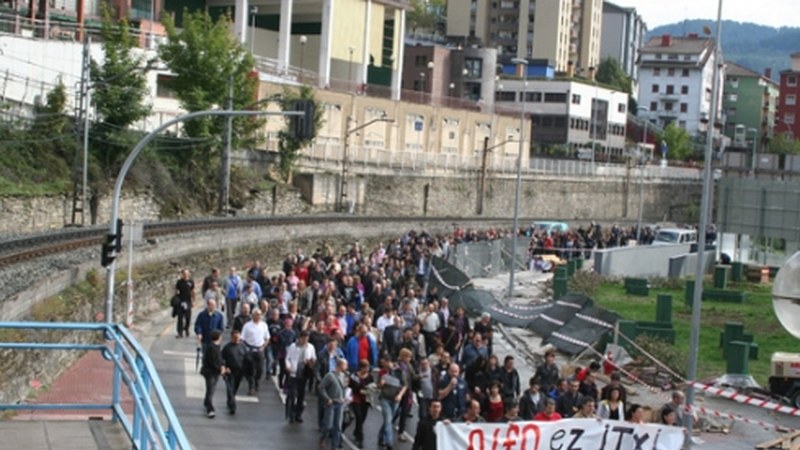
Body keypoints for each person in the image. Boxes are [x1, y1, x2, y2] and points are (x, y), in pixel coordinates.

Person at [285, 330, 317, 423]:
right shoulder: (293, 346)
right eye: (304, 339)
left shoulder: (310, 347)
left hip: (304, 373)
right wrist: (288, 366)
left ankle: (298, 414)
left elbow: (314, 358)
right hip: (294, 373)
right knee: (292, 395)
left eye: (307, 339)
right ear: (300, 338)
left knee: (301, 396)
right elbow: (288, 358)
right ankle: (291, 414)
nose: (305, 341)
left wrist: (310, 362)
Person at [377, 354, 408, 450]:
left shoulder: (399, 371)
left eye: (383, 363)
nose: (382, 365)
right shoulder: (382, 372)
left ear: (388, 361)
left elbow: (405, 385)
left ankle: (381, 436)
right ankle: (389, 443)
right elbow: (378, 386)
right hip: (385, 398)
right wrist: (381, 384)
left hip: (395, 399)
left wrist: (400, 395)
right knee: (388, 419)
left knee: (389, 420)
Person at [319, 358, 348, 450]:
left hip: (340, 403)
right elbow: (321, 387)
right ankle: (322, 438)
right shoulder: (330, 376)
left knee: (338, 426)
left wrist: (343, 398)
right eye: (345, 365)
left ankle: (334, 446)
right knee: (328, 425)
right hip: (331, 403)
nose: (346, 367)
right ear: (340, 365)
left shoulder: (343, 376)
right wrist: (327, 399)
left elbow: (343, 388)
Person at [241, 308, 270, 395]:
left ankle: (257, 382)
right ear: (253, 315)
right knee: (250, 370)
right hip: (250, 350)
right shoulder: (247, 326)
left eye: (259, 315)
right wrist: (245, 348)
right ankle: (251, 387)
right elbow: (242, 339)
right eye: (256, 314)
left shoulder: (264, 325)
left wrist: (263, 347)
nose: (258, 316)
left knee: (260, 369)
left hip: (260, 349)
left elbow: (267, 338)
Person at [221, 328, 248, 415]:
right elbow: (221, 359)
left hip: (240, 372)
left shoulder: (243, 347)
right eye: (235, 338)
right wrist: (224, 367)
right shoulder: (227, 348)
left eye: (238, 338)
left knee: (235, 388)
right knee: (230, 388)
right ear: (231, 337)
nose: (237, 340)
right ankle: (233, 406)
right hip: (230, 371)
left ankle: (230, 400)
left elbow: (247, 358)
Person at [349, 359, 373, 449]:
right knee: (359, 417)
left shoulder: (370, 377)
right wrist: (359, 389)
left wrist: (369, 390)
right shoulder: (354, 376)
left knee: (362, 418)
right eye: (365, 368)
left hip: (365, 400)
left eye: (368, 367)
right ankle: (360, 439)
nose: (367, 369)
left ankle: (356, 431)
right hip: (356, 399)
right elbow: (351, 387)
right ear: (361, 368)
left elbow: (372, 387)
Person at [200, 329, 223, 418]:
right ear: (218, 337)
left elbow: (219, 359)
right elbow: (212, 361)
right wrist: (219, 369)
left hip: (215, 372)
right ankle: (210, 409)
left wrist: (222, 366)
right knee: (210, 390)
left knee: (211, 389)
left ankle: (206, 402)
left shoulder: (217, 347)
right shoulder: (211, 348)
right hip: (210, 372)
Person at [174, 269, 195, 338]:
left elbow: (193, 291)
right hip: (181, 301)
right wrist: (176, 298)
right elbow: (176, 291)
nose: (185, 275)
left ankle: (186, 328)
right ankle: (180, 332)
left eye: (187, 273)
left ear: (188, 274)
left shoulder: (191, 281)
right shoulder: (179, 282)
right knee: (180, 317)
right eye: (184, 274)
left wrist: (193, 300)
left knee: (188, 317)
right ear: (182, 274)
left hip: (188, 301)